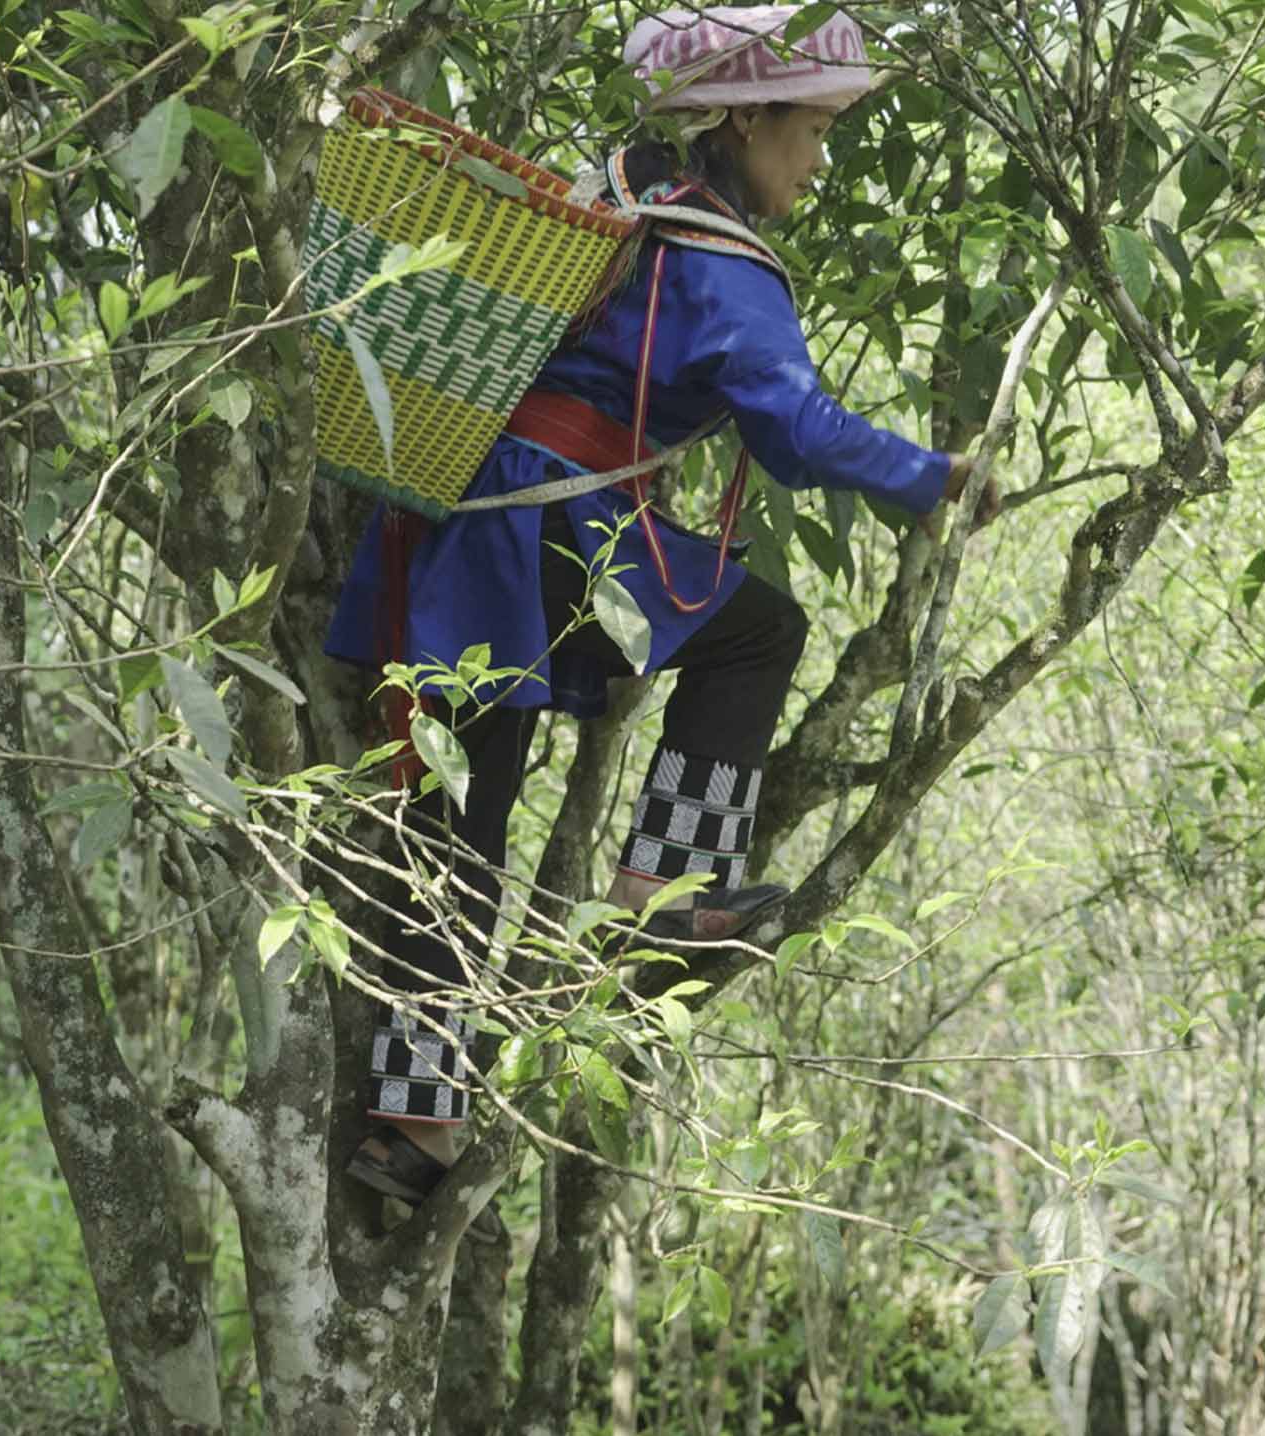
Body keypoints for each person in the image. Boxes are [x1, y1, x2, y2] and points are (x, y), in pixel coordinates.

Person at [329, 5, 997, 1220]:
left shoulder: (616, 193)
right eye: (813, 128)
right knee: (761, 629)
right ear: (745, 120)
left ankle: (409, 1120)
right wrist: (935, 476)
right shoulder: (718, 260)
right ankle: (665, 889)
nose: (821, 158)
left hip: (459, 525)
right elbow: (794, 432)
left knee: (457, 826)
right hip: (549, 529)